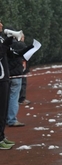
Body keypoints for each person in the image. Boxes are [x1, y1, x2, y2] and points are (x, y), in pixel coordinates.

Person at [0, 21, 19, 149]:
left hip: (4, 76)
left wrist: (25, 50)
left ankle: (1, 136)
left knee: (3, 110)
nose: (1, 25)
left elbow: (8, 54)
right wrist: (6, 44)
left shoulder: (0, 37)